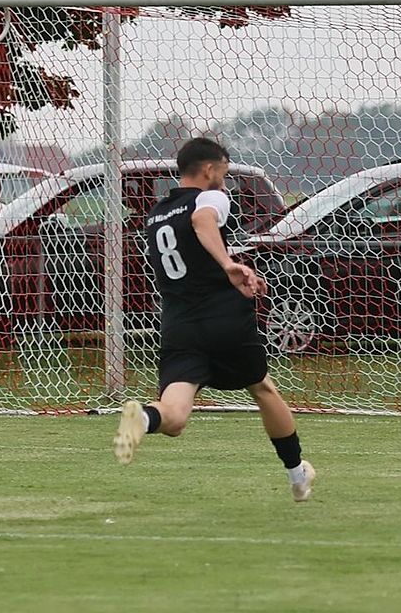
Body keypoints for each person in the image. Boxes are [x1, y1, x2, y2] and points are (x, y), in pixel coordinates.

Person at [113, 137, 315, 502]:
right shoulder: (212, 198)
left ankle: (142, 419)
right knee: (262, 388)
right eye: (223, 171)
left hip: (179, 325)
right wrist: (228, 264)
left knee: (174, 418)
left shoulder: (157, 213)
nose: (224, 180)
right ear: (209, 169)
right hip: (223, 318)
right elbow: (202, 220)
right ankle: (298, 475)